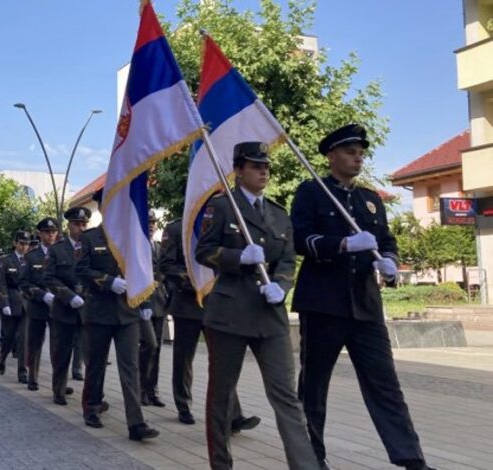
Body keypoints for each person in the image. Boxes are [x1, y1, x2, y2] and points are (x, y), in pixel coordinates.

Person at [290, 125, 435, 470]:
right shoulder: (312, 192)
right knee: (314, 385)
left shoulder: (370, 200)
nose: (358, 158)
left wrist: (390, 263)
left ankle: (410, 457)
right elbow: (299, 239)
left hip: (365, 305)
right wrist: (340, 244)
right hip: (323, 303)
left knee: (385, 383)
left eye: (361, 153)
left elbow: (386, 241)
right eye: (350, 152)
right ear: (331, 156)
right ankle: (312, 456)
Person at [196, 142, 320, 470]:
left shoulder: (279, 213)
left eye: (266, 166)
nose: (263, 171)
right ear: (238, 170)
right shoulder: (223, 207)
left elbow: (288, 259)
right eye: (255, 166)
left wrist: (280, 286)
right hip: (230, 315)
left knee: (286, 399)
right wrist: (238, 258)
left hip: (270, 316)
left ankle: (305, 465)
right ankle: (221, 465)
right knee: (221, 398)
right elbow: (203, 252)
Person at [160, 217, 260, 431]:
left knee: (223, 361)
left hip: (217, 303)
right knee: (184, 358)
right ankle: (183, 404)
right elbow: (166, 265)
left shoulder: (221, 225)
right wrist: (196, 282)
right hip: (187, 304)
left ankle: (233, 414)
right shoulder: (178, 228)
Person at [75, 189, 159, 442]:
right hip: (99, 311)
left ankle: (136, 423)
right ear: (101, 208)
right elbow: (82, 270)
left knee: (130, 367)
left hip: (127, 312)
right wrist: (107, 281)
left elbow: (145, 270)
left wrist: (146, 301)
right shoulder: (90, 238)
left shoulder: (132, 236)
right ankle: (91, 407)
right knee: (96, 363)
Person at [44, 207, 90, 406]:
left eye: (83, 224)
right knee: (62, 353)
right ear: (69, 226)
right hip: (64, 309)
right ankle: (59, 390)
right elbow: (49, 278)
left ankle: (93, 396)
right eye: (77, 224)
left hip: (88, 310)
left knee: (91, 355)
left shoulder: (91, 246)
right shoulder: (57, 249)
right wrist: (68, 296)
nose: (80, 228)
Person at [19, 217, 59, 391]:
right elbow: (24, 283)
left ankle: (58, 383)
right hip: (38, 306)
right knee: (35, 343)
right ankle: (33, 378)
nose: (50, 235)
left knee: (58, 346)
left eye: (53, 232)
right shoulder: (31, 256)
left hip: (59, 306)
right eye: (47, 232)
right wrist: (41, 295)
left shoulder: (62, 252)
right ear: (40, 234)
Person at [139, 209, 167, 408]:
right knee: (147, 346)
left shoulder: (159, 247)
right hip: (143, 301)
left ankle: (152, 389)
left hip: (159, 301)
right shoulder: (136, 246)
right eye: (147, 222)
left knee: (157, 348)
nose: (151, 225)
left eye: (153, 223)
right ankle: (140, 389)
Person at [0, 230, 30, 382]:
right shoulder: (6, 260)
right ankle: (2, 359)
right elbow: (1, 284)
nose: (24, 247)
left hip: (26, 304)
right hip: (11, 302)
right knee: (8, 337)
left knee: (23, 339)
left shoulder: (30, 260)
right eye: (21, 243)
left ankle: (22, 372)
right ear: (15, 243)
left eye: (27, 244)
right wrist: (4, 303)